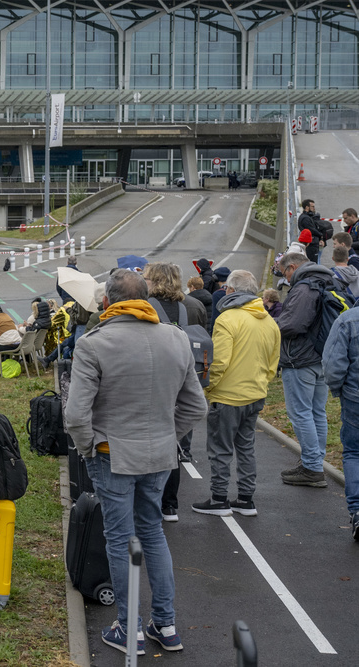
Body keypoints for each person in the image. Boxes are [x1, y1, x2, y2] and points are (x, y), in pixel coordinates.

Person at [64, 269, 206, 655]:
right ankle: (166, 624)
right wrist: (167, 436)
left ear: (107, 301)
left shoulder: (94, 344)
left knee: (120, 539)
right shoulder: (176, 338)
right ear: (147, 300)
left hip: (112, 454)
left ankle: (129, 629)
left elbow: (76, 415)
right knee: (153, 533)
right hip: (159, 455)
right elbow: (196, 405)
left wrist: (88, 446)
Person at [191, 269, 279, 517]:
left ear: (231, 290)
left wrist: (210, 386)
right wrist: (261, 382)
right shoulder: (269, 321)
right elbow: (274, 361)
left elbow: (219, 361)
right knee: (246, 447)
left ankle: (219, 498)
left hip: (228, 395)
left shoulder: (227, 320)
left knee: (220, 449)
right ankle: (245, 498)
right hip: (255, 393)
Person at [142, 261, 208, 520]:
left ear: (154, 280)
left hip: (155, 375)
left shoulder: (147, 307)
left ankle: (152, 500)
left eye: (146, 277)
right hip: (184, 373)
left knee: (154, 441)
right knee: (173, 444)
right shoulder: (189, 306)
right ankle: (170, 504)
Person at [274, 251, 334, 487]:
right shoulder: (328, 281)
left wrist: (273, 324)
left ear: (293, 267)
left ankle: (311, 467)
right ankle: (315, 461)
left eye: (284, 273)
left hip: (300, 358)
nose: (286, 279)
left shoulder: (303, 287)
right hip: (322, 357)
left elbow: (293, 324)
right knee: (317, 412)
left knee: (301, 413)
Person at [322, 294, 359, 540]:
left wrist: (338, 389)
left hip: (355, 396)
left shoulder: (348, 320)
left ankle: (357, 510)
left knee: (354, 452)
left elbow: (333, 364)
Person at [298, 199, 324, 263]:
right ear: (307, 207)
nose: (314, 208)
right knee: (313, 263)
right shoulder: (305, 218)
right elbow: (312, 230)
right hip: (311, 244)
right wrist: (321, 235)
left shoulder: (306, 217)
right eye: (312, 206)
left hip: (312, 243)